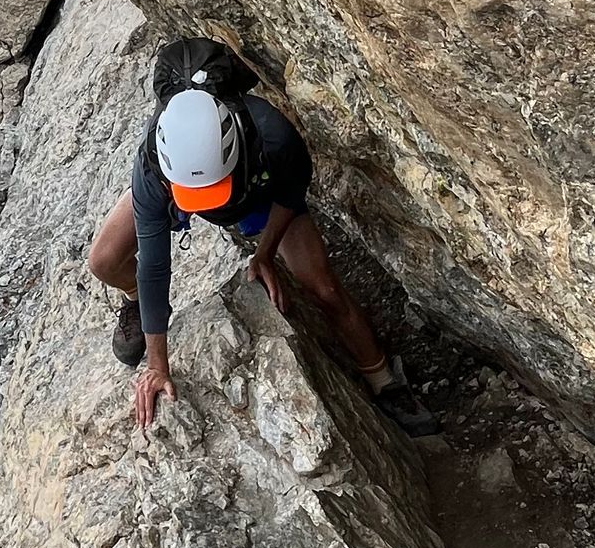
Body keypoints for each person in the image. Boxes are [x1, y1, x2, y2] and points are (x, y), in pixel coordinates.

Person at [88, 53, 439, 436]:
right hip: (178, 191)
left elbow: (291, 191)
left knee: (323, 288)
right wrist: (158, 364)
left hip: (257, 192)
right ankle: (134, 302)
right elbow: (154, 265)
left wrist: (266, 252)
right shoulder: (153, 168)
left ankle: (384, 380)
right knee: (104, 261)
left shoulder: (272, 134)